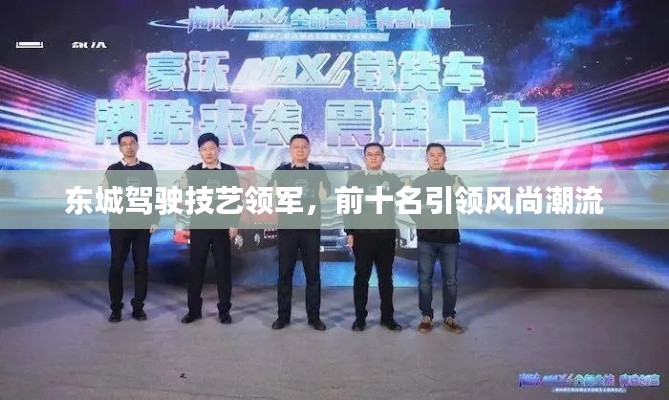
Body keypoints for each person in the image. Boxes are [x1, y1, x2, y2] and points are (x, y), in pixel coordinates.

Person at [269, 134, 331, 331]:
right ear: (290, 150)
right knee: (284, 274)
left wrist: (321, 193)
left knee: (313, 275)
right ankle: (283, 317)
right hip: (287, 229)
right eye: (296, 146)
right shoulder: (281, 171)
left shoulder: (318, 171)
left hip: (310, 229)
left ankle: (314, 317)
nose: (300, 150)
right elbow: (270, 193)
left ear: (309, 149)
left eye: (304, 146)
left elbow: (327, 192)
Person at [179, 133, 241, 324]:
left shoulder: (229, 171)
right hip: (200, 227)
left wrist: (234, 223)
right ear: (199, 152)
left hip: (222, 228)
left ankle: (224, 311)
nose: (208, 152)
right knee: (195, 269)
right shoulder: (193, 171)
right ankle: (193, 311)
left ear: (218, 150)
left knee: (223, 270)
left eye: (211, 148)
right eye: (204, 149)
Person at [344, 143, 403, 332]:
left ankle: (387, 318)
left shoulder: (392, 180)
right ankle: (360, 319)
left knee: (386, 279)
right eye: (369, 154)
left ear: (383, 158)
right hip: (362, 238)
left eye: (377, 154)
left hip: (386, 237)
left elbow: (406, 201)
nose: (373, 157)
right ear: (364, 158)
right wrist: (349, 232)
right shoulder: (355, 180)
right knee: (361, 278)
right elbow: (349, 207)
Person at [103, 131, 159, 323]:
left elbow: (153, 195)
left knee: (141, 266)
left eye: (132, 143)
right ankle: (116, 309)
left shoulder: (147, 168)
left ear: (137, 146)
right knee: (116, 266)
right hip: (119, 225)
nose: (129, 146)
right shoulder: (113, 169)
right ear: (120, 147)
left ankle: (138, 308)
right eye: (124, 143)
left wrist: (155, 219)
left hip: (142, 226)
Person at [411, 143, 464, 334]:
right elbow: (411, 208)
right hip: (426, 239)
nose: (435, 158)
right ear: (426, 158)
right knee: (425, 279)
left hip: (450, 239)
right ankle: (426, 316)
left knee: (450, 280)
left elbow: (465, 199)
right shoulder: (419, 182)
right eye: (432, 155)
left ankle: (449, 316)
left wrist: (457, 191)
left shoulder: (454, 180)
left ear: (445, 158)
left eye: (439, 155)